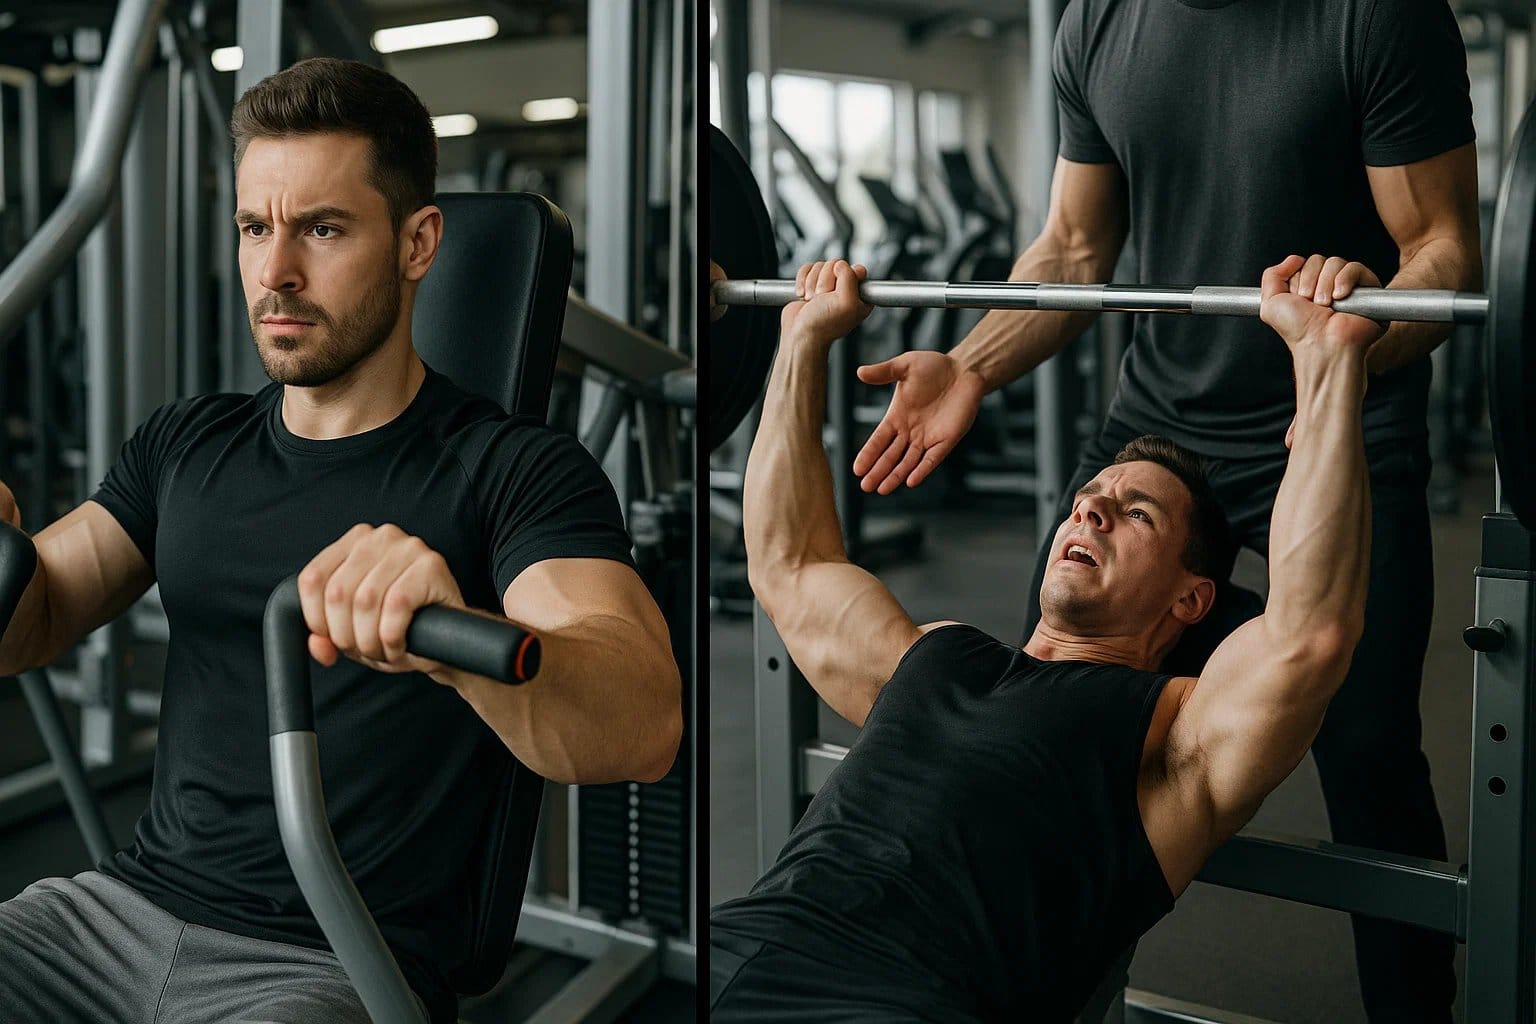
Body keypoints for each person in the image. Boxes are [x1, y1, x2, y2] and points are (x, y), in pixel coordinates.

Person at [0, 58, 681, 1024]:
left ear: (417, 243)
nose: (276, 272)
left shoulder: (510, 471)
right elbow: (35, 616)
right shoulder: (185, 442)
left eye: (322, 229)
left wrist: (456, 641)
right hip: (106, 916)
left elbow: (643, 724)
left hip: (325, 961)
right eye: (253, 228)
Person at [849, 3, 1480, 1016]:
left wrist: (1347, 343)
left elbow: (1446, 250)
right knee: (1042, 727)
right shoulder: (1097, 23)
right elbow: (1071, 248)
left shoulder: (1378, 14)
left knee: (1367, 753)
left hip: (1325, 422)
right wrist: (968, 364)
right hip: (1157, 434)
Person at [710, 255, 1380, 1021]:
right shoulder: (937, 654)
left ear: (1193, 598)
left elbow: (1311, 630)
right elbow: (788, 563)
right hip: (741, 946)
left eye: (1137, 515)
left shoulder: (1174, 740)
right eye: (1089, 499)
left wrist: (1327, 362)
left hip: (906, 1002)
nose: (1090, 512)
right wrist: (800, 339)